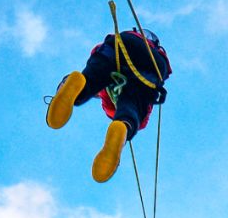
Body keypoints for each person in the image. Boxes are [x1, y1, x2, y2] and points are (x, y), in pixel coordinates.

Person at [46, 28, 171, 183]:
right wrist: (126, 117)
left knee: (93, 78)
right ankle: (123, 127)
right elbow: (141, 116)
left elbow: (98, 54)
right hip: (152, 63)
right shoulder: (158, 52)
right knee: (133, 105)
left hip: (119, 44)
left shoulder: (106, 93)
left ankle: (75, 88)